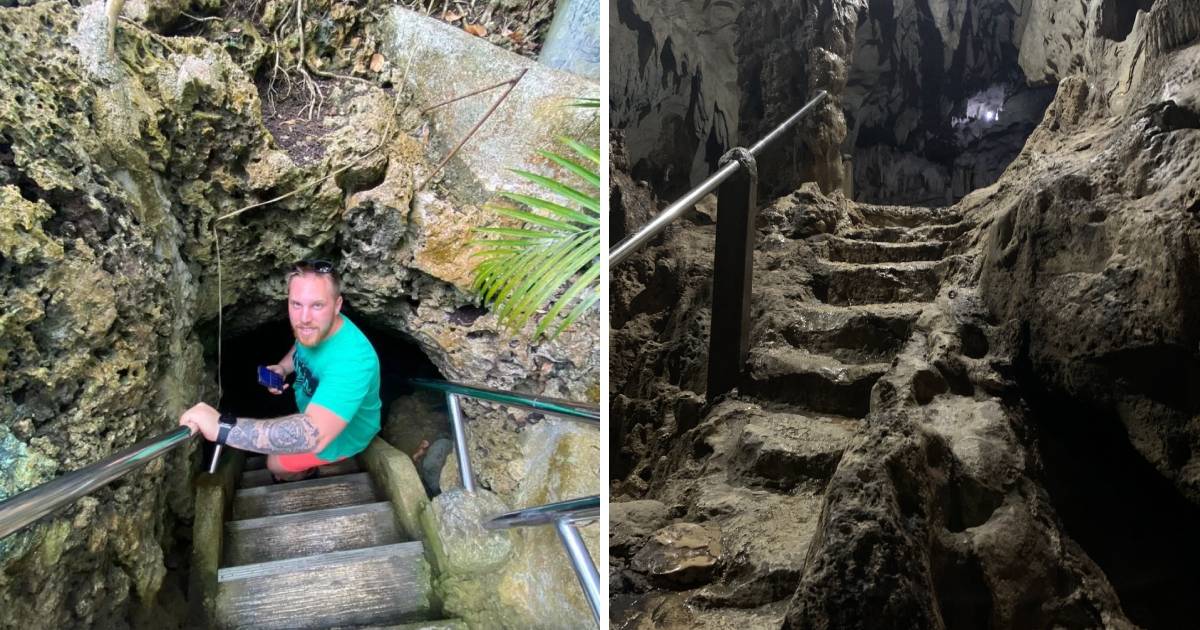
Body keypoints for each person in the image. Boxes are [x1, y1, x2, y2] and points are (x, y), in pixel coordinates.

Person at [179, 260, 381, 481]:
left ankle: (306, 475)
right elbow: (301, 345)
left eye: (317, 305)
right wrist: (284, 368)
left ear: (337, 305)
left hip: (346, 434)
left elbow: (314, 434)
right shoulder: (316, 328)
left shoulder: (353, 360)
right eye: (296, 304)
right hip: (317, 411)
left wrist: (223, 429)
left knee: (275, 464)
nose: (304, 318)